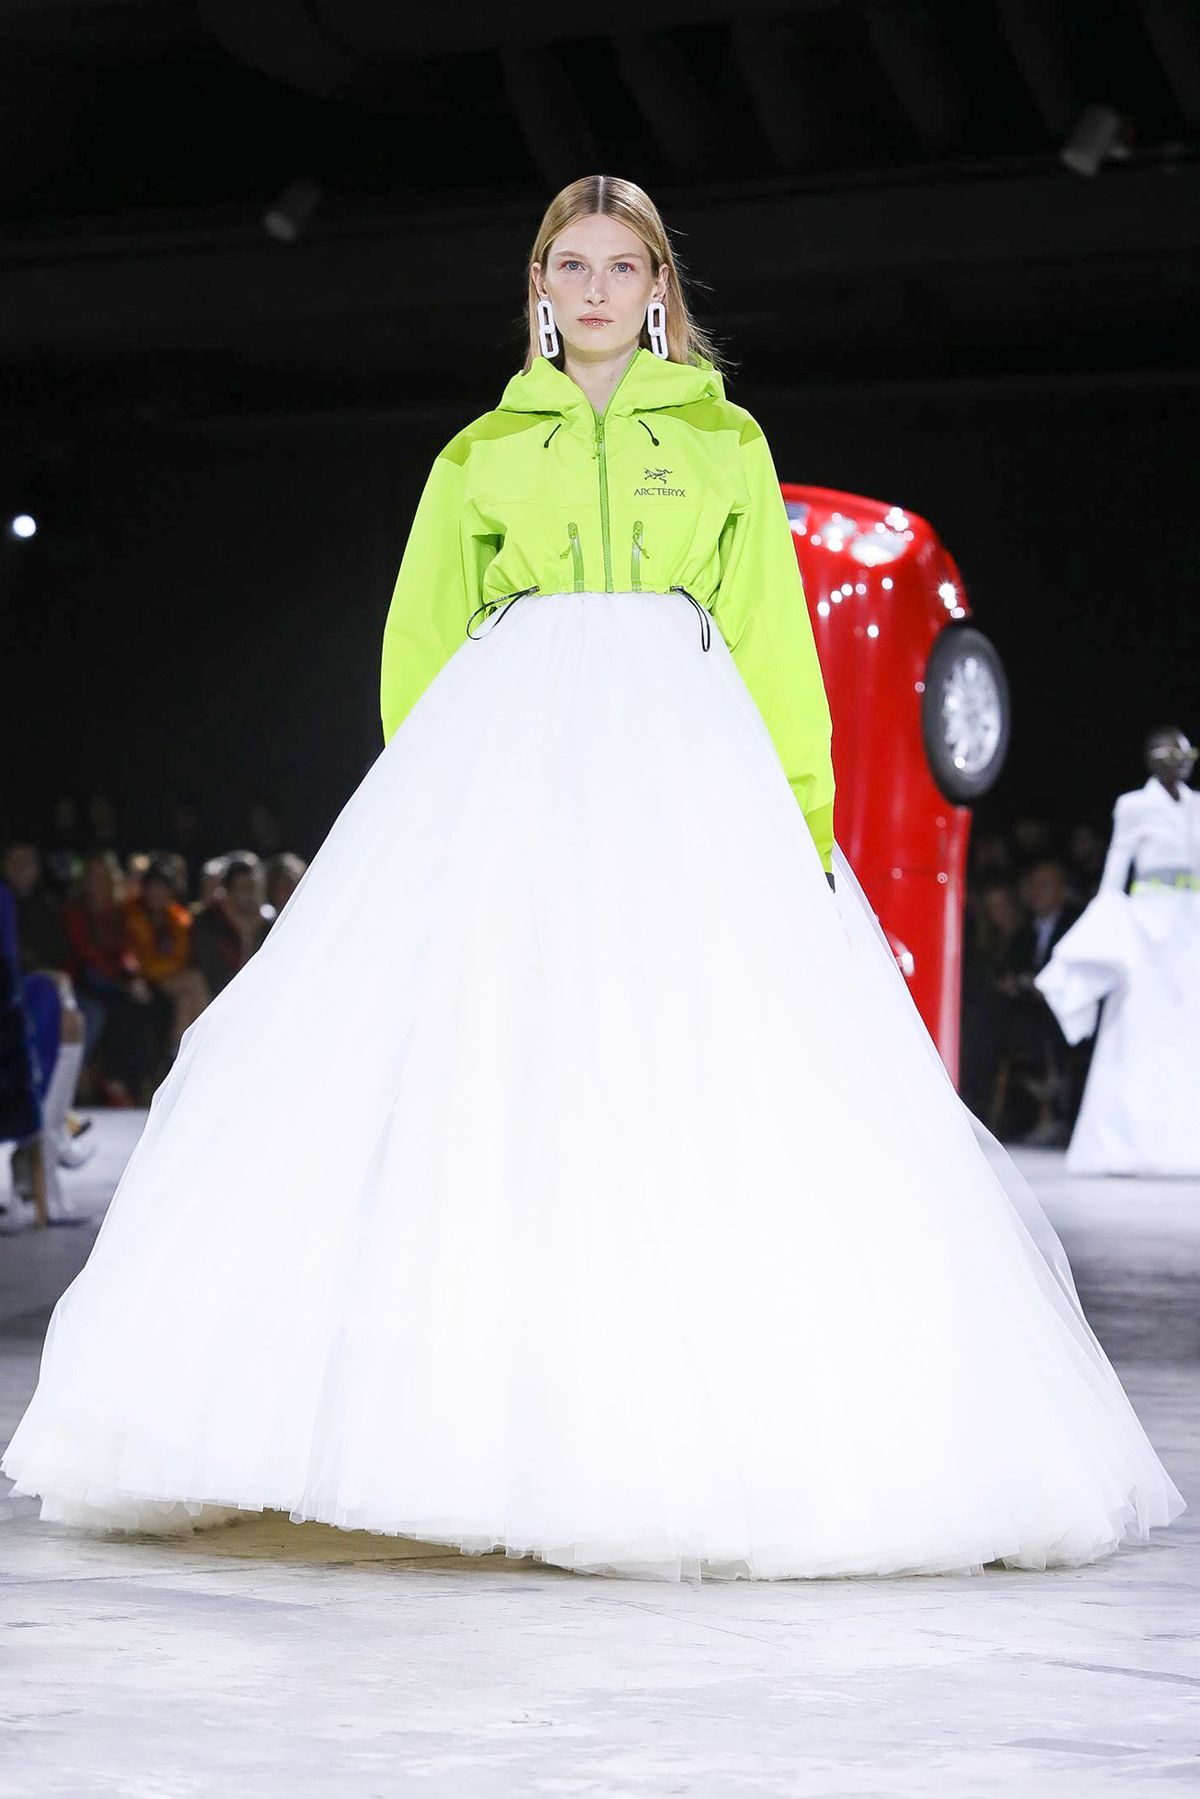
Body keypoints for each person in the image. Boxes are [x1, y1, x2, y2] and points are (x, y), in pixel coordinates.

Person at [2, 176, 1183, 1581]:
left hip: (685, 779)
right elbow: (422, 644)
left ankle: (686, 1429)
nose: (601, 288)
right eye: (575, 264)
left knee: (686, 1063)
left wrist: (803, 828)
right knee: (508, 1066)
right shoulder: (481, 453)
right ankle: (464, 1425)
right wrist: (427, 829)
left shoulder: (727, 441)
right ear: (540, 286)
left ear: (661, 286)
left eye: (627, 265)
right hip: (513, 773)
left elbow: (772, 643)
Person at [1036, 727, 1200, 1176]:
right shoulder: (1134, 806)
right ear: (1154, 760)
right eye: (1171, 755)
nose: (1180, 763)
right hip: (1147, 924)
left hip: (1190, 925)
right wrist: (1106, 924)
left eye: (1185, 756)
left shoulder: (1196, 806)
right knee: (1139, 1025)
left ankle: (1186, 1145)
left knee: (1188, 1030)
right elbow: (1115, 868)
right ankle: (1125, 1143)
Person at [122, 858, 208, 1058]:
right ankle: (205, 1046)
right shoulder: (131, 913)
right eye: (153, 887)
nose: (157, 893)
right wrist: (148, 971)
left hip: (165, 977)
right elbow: (136, 957)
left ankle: (177, 1057)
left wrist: (162, 968)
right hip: (139, 978)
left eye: (163, 888)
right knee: (194, 981)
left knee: (185, 1003)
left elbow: (180, 956)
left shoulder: (178, 918)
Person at [189, 855, 270, 1000]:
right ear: (228, 892)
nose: (252, 895)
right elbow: (225, 987)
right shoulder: (207, 925)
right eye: (245, 888)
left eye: (254, 887)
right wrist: (245, 936)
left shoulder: (269, 924)